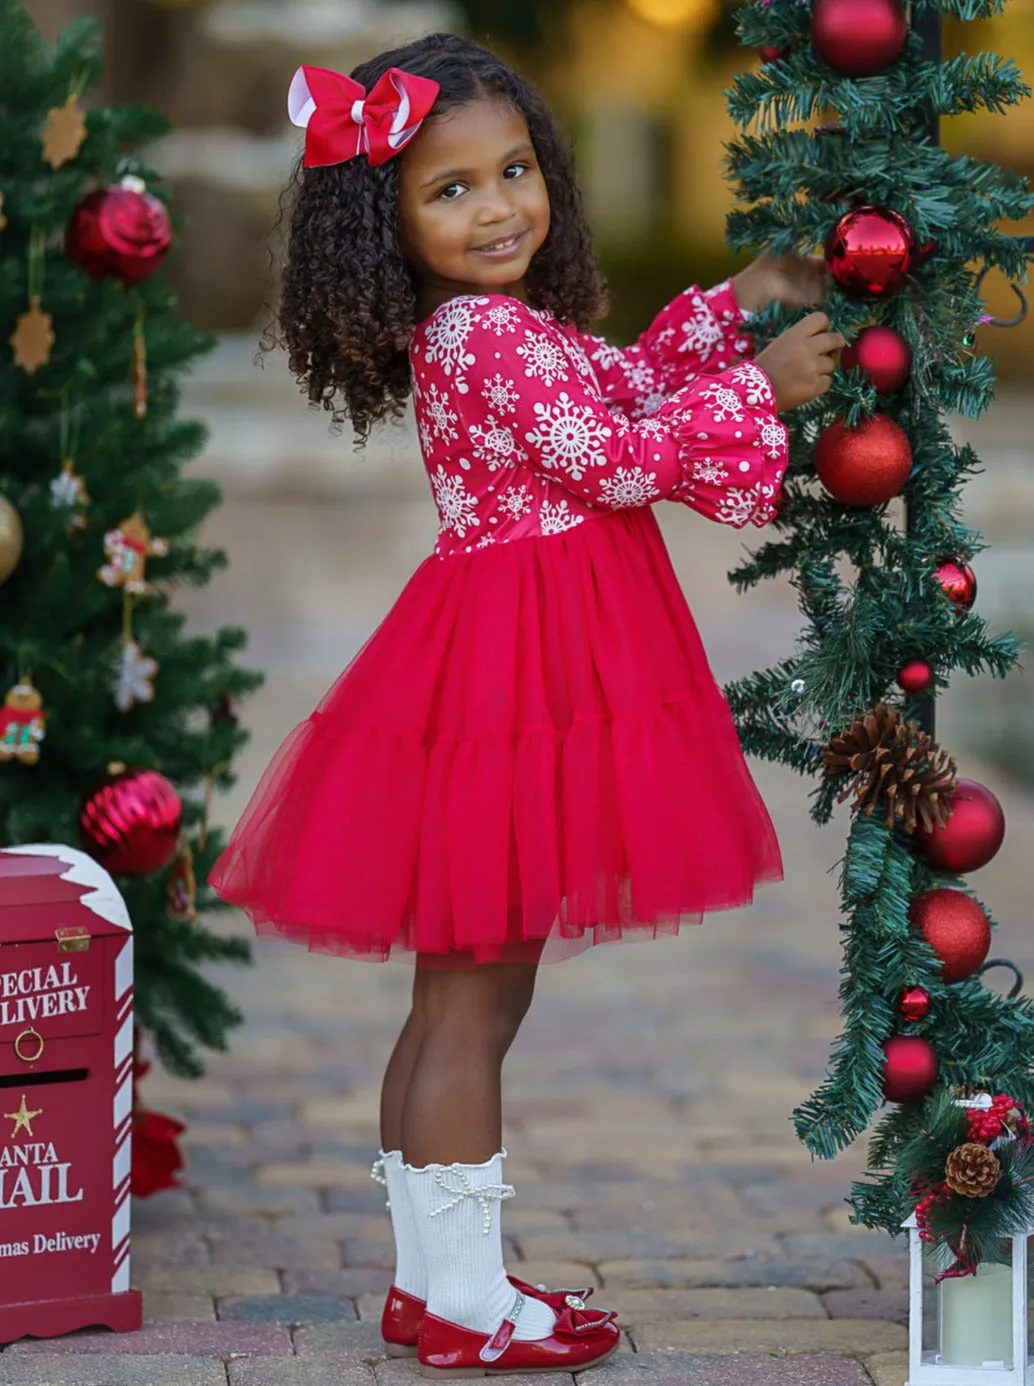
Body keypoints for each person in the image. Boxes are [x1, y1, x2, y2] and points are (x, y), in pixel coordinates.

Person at [210, 30, 844, 1380]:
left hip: (525, 663)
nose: (496, 206)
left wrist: (742, 300)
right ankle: (457, 1295)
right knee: (469, 1002)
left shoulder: (510, 329)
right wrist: (763, 391)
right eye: (449, 189)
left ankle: (443, 1278)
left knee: (464, 998)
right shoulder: (477, 338)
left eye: (513, 170)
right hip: (512, 676)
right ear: (384, 224)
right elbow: (610, 455)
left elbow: (618, 380)